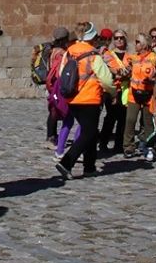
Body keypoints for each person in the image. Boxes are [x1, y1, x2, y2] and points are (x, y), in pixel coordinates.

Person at [56, 22, 118, 179]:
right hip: (90, 98)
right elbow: (106, 79)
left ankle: (89, 167)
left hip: (72, 98)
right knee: (89, 132)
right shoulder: (93, 55)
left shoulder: (69, 52)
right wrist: (113, 92)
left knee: (88, 131)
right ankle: (66, 162)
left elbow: (61, 73)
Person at [122, 32, 156, 159]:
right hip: (134, 94)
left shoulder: (154, 57)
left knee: (148, 122)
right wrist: (123, 71)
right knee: (130, 120)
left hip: (148, 94)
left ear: (144, 44)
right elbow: (125, 71)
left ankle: (149, 146)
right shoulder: (133, 58)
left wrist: (153, 79)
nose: (135, 44)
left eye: (137, 42)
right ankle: (128, 146)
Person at [98, 28, 129, 155]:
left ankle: (119, 144)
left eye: (121, 38)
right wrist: (120, 73)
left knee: (123, 118)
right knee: (111, 116)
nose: (119, 40)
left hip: (125, 90)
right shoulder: (108, 54)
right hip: (112, 90)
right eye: (116, 38)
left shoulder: (129, 56)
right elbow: (109, 70)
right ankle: (103, 142)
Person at [44, 26, 72, 149]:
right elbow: (59, 71)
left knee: (53, 110)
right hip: (56, 84)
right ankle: (51, 137)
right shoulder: (60, 53)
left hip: (51, 84)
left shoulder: (51, 50)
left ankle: (52, 136)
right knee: (54, 111)